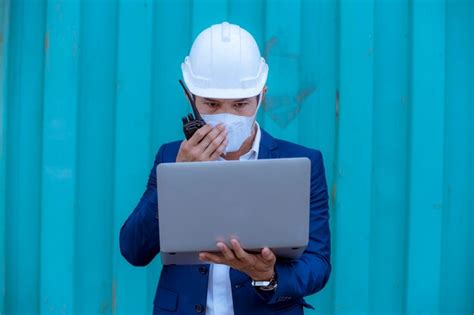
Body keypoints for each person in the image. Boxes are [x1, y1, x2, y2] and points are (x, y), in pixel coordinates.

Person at [120, 22, 331, 315]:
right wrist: (179, 179)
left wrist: (267, 277)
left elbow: (318, 263)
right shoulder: (171, 156)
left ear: (261, 96)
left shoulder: (303, 163)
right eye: (212, 103)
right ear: (190, 98)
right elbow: (133, 249)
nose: (226, 116)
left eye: (241, 104)